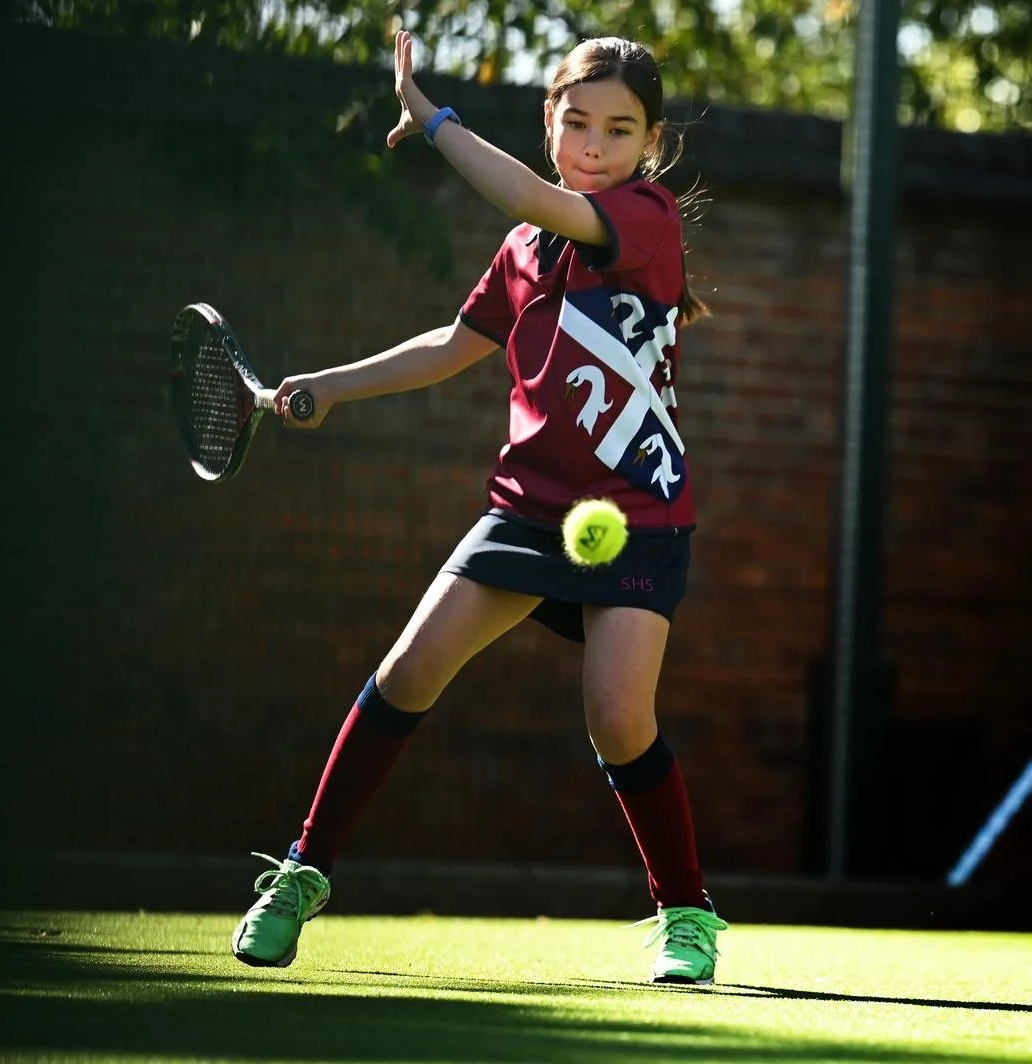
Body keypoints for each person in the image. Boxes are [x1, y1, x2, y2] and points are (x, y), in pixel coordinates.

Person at [230, 29, 727, 985]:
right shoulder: (525, 249)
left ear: (650, 147)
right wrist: (330, 385)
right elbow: (450, 346)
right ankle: (298, 876)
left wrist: (433, 119)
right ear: (550, 122)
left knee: (618, 719)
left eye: (618, 131)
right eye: (577, 123)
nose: (593, 146)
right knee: (408, 670)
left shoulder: (646, 217)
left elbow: (532, 194)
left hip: (639, 514)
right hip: (527, 510)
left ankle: (686, 913)